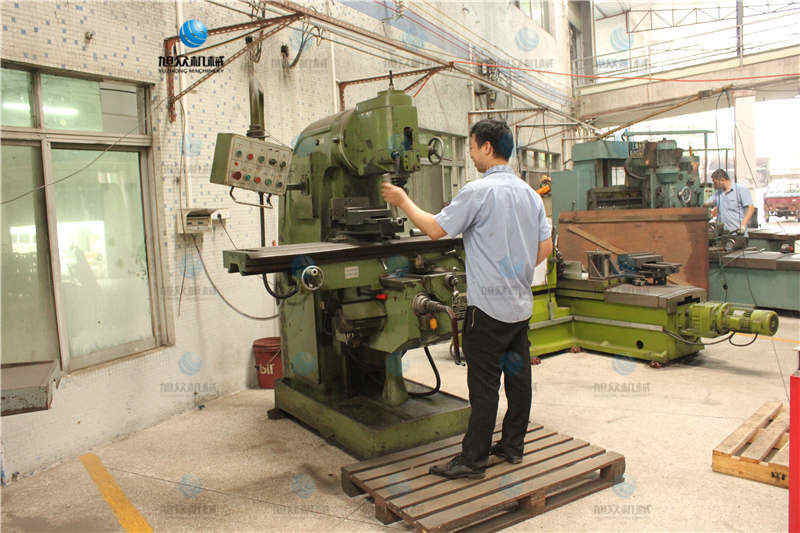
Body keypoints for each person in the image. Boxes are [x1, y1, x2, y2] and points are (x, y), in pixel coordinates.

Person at [381, 119, 553, 479]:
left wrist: (402, 200)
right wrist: (516, 273)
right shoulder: (530, 195)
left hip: (487, 312)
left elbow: (434, 229)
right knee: (518, 380)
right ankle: (512, 447)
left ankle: (473, 460)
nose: (471, 155)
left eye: (472, 147)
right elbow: (545, 248)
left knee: (484, 388)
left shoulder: (479, 191)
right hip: (519, 307)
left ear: (487, 148)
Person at [708, 168, 755, 233]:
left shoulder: (741, 190)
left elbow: (751, 208)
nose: (714, 185)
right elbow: (706, 203)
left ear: (722, 180)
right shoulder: (718, 193)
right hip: (722, 233)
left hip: (738, 233)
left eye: (715, 182)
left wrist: (743, 224)